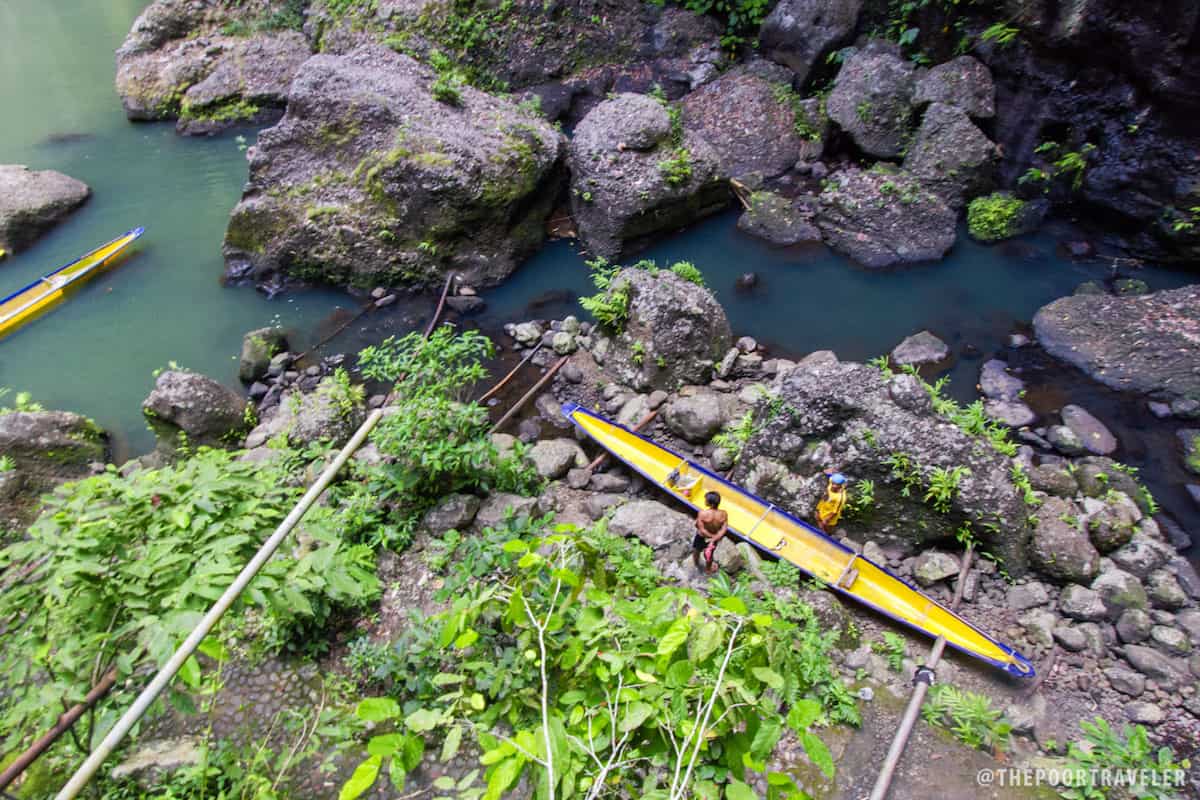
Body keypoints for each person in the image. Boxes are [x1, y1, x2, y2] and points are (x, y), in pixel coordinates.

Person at [693, 491, 728, 574]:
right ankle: (708, 569)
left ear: (711, 504)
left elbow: (702, 529)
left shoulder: (702, 514)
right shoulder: (723, 514)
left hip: (702, 536)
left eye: (706, 500)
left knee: (696, 550)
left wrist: (710, 536)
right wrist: (714, 537)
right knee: (710, 554)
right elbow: (724, 529)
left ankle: (696, 563)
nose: (705, 501)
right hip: (714, 538)